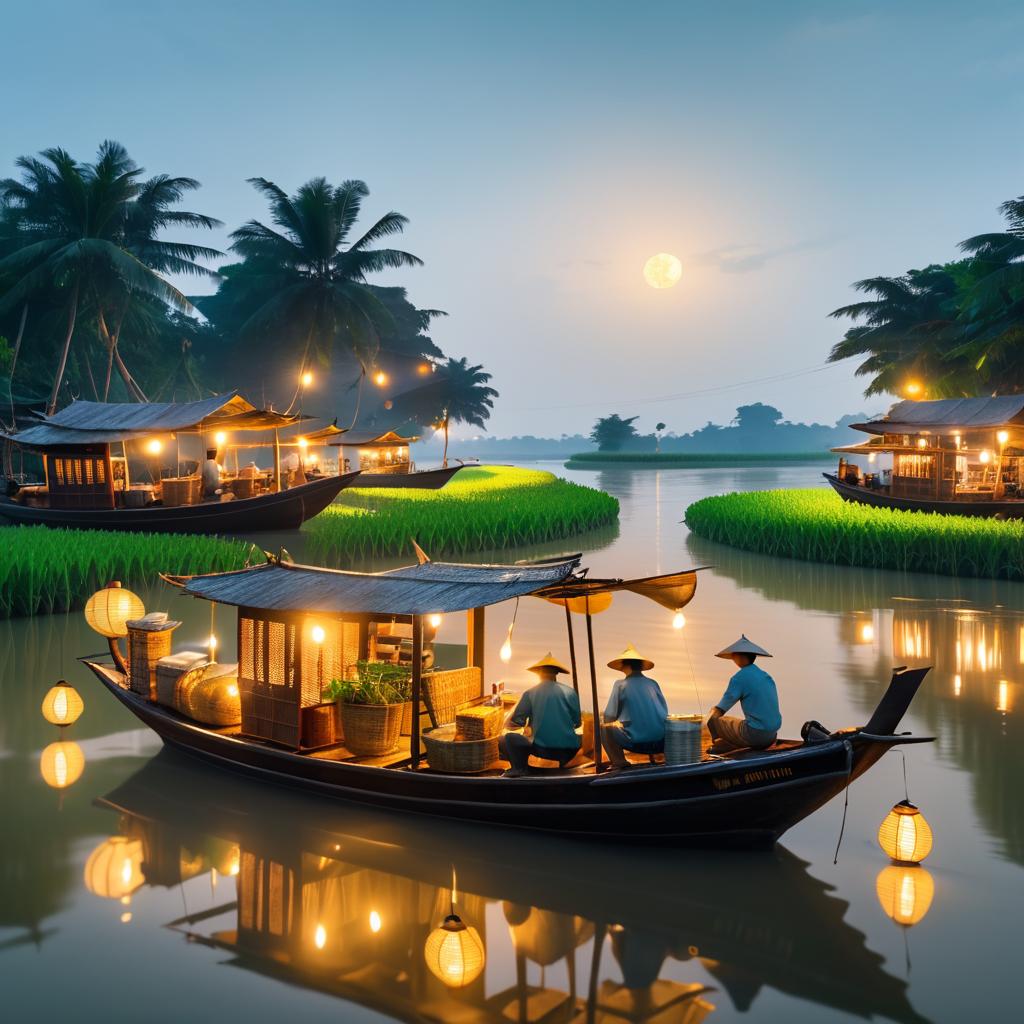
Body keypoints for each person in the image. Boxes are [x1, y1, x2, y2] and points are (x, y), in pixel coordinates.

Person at [499, 653, 581, 777]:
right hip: (571, 749)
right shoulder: (570, 692)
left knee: (506, 739)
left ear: (538, 673)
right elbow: (577, 723)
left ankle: (519, 768)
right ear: (556, 673)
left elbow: (516, 722)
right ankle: (562, 764)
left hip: (544, 749)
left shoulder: (530, 692)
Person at [707, 635, 781, 753]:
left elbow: (720, 709)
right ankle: (735, 744)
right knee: (736, 721)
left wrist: (710, 717)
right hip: (772, 735)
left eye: (734, 655)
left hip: (755, 735)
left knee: (714, 720)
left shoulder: (739, 678)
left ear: (740, 657)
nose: (733, 658)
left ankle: (719, 746)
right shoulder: (766, 676)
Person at [601, 644, 669, 769]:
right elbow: (664, 712)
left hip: (637, 743)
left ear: (626, 665)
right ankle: (655, 759)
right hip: (662, 743)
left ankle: (619, 762)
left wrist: (619, 724)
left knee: (604, 726)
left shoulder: (620, 685)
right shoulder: (653, 683)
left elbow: (609, 716)